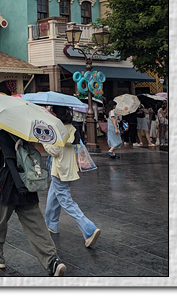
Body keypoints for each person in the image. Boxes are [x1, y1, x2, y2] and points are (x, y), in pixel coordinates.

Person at [0, 128, 67, 276]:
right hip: (29, 184)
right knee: (36, 225)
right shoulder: (26, 133)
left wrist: (18, 183)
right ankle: (52, 261)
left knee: (0, 222)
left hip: (9, 185)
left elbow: (9, 160)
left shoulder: (4, 133)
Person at [44, 106, 101, 248]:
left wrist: (44, 141)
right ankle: (51, 223)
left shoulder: (58, 130)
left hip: (60, 170)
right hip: (69, 169)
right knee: (53, 195)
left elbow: (55, 150)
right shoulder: (72, 129)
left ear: (56, 115)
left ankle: (89, 229)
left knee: (66, 201)